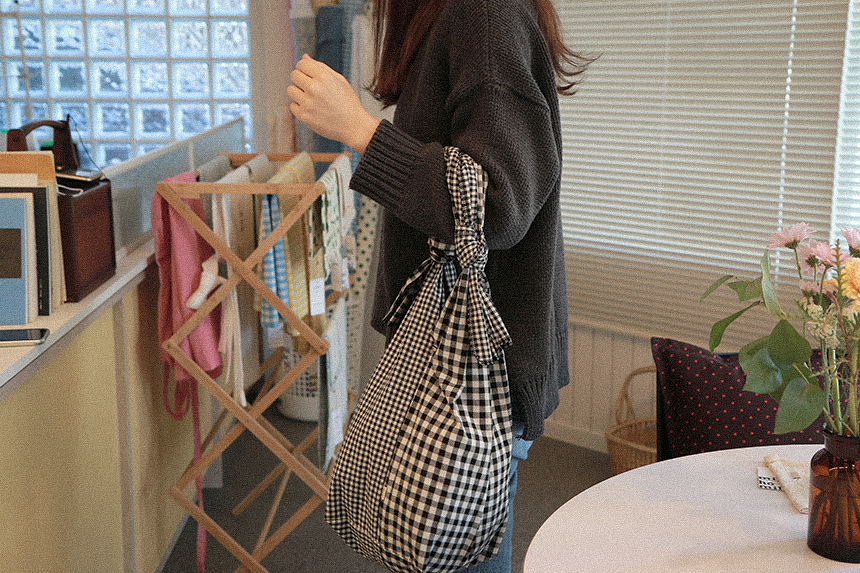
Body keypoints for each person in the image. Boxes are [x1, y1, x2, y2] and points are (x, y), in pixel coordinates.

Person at [288, 0, 592, 571]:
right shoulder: (462, 15)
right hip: (458, 350)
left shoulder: (483, 13)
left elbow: (497, 203)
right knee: (441, 547)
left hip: (475, 366)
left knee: (453, 554)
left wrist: (361, 130)